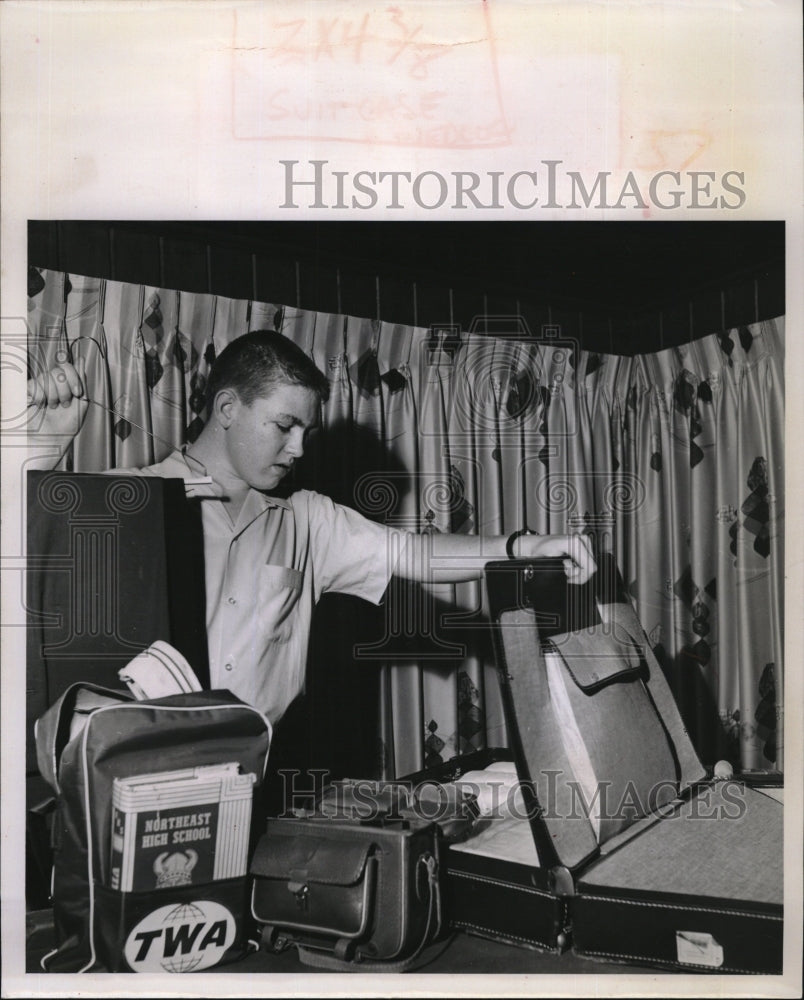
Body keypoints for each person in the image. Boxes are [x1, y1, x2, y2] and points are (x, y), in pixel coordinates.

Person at [27, 330, 596, 725]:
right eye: (285, 425)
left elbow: (415, 554)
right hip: (125, 785)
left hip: (255, 786)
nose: (298, 448)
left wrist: (527, 546)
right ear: (227, 409)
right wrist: (38, 456)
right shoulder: (125, 501)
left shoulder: (307, 520)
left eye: (307, 432)